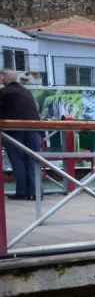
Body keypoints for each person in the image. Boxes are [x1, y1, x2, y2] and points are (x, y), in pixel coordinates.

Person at [0, 70, 41, 200]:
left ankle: (22, 191)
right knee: (33, 160)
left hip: (14, 130)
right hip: (34, 129)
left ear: (4, 80)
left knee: (18, 160)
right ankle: (36, 192)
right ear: (17, 80)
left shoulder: (4, 93)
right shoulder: (27, 92)